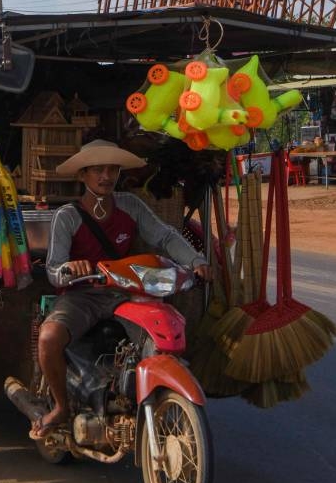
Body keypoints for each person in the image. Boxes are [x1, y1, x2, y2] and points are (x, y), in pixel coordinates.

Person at [32, 140, 211, 438]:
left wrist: (195, 260)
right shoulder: (68, 216)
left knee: (160, 335)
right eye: (98, 170)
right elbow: (53, 270)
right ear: (83, 176)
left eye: (112, 169)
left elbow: (165, 237)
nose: (106, 176)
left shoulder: (129, 205)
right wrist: (70, 269)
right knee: (49, 338)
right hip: (82, 296)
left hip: (124, 293)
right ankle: (61, 406)